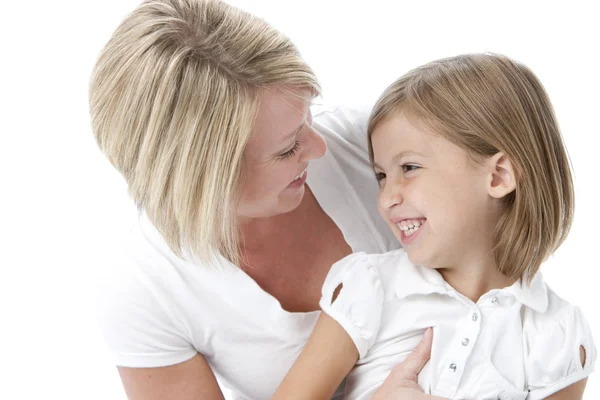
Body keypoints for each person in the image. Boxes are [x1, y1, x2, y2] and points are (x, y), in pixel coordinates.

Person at [91, 0, 439, 399]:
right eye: (288, 148)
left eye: (309, 116)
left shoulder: (377, 148)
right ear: (204, 180)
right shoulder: (144, 287)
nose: (319, 147)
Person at [272, 53, 597, 400]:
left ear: (499, 175)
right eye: (382, 176)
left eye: (409, 167)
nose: (386, 199)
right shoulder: (370, 287)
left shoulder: (558, 334)